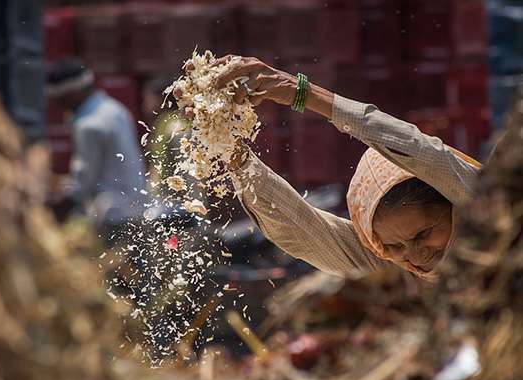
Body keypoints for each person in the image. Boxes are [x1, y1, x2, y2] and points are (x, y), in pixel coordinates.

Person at [176, 56, 482, 279]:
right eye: (393, 246)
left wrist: (302, 93)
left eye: (423, 233)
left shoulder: (491, 214)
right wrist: (229, 147)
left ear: (453, 201)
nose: (415, 257)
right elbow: (301, 229)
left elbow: (421, 152)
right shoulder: (389, 267)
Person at [46, 58, 148, 229]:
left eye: (61, 99)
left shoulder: (88, 124)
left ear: (72, 93)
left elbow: (82, 183)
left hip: (113, 215)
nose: (60, 105)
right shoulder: (115, 109)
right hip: (137, 208)